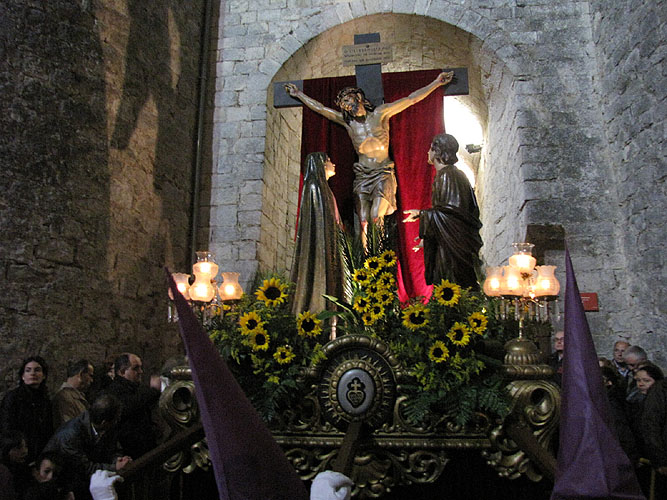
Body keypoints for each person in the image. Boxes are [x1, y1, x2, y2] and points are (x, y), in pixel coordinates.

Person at [285, 72, 454, 239]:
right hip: (362, 174)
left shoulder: (380, 114)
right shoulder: (348, 123)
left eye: (347, 100)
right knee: (364, 221)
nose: (345, 105)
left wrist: (436, 83)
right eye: (343, 103)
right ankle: (366, 257)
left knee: (376, 215)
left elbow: (411, 99)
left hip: (382, 172)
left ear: (358, 97)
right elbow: (321, 109)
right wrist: (299, 94)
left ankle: (380, 253)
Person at [402, 133, 483, 289]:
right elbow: (447, 213)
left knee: (453, 284)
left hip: (454, 245)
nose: (428, 152)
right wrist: (428, 235)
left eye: (431, 148)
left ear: (437, 151)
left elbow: (453, 214)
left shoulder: (448, 175)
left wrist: (422, 214)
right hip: (451, 240)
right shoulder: (450, 175)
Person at [43, 393, 131, 500]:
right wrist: (114, 467)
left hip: (84, 482)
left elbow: (113, 449)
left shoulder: (106, 427)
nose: (117, 422)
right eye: (116, 419)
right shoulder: (70, 435)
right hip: (65, 485)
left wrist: (118, 459)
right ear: (104, 422)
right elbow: (84, 469)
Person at [291, 152, 344, 315]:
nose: (333, 164)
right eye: (329, 160)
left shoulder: (325, 189)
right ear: (320, 164)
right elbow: (317, 222)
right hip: (319, 244)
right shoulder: (314, 186)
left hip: (330, 242)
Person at [104, 353, 161, 459]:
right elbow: (130, 405)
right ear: (122, 372)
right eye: (136, 368)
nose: (141, 372)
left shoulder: (135, 388)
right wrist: (153, 390)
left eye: (140, 367)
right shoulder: (114, 391)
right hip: (132, 452)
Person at [0, 356, 54, 462]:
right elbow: (6, 427)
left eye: (37, 370)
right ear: (23, 376)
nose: (32, 373)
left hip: (38, 453)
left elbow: (48, 429)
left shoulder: (45, 400)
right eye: (28, 370)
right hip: (18, 453)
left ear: (43, 376)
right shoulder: (13, 398)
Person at [52, 359, 95, 429]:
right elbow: (68, 427)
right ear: (81, 374)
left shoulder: (76, 396)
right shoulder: (64, 398)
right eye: (90, 375)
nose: (92, 380)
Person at [0, 432, 30, 500]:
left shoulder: (24, 470)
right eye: (18, 448)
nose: (25, 451)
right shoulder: (3, 473)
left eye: (26, 446)